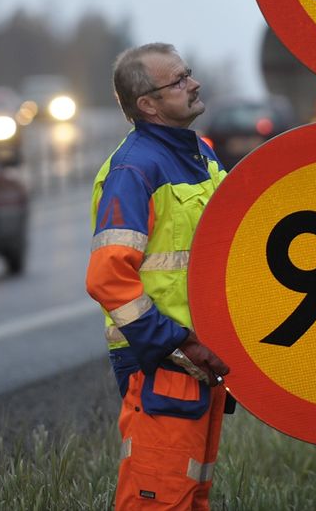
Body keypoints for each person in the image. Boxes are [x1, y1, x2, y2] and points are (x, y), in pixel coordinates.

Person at [86, 43, 232, 510]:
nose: (194, 84)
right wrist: (175, 341)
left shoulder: (200, 154)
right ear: (148, 104)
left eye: (188, 73)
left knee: (190, 496)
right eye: (179, 80)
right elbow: (108, 278)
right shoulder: (133, 170)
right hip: (161, 362)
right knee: (159, 501)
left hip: (198, 358)